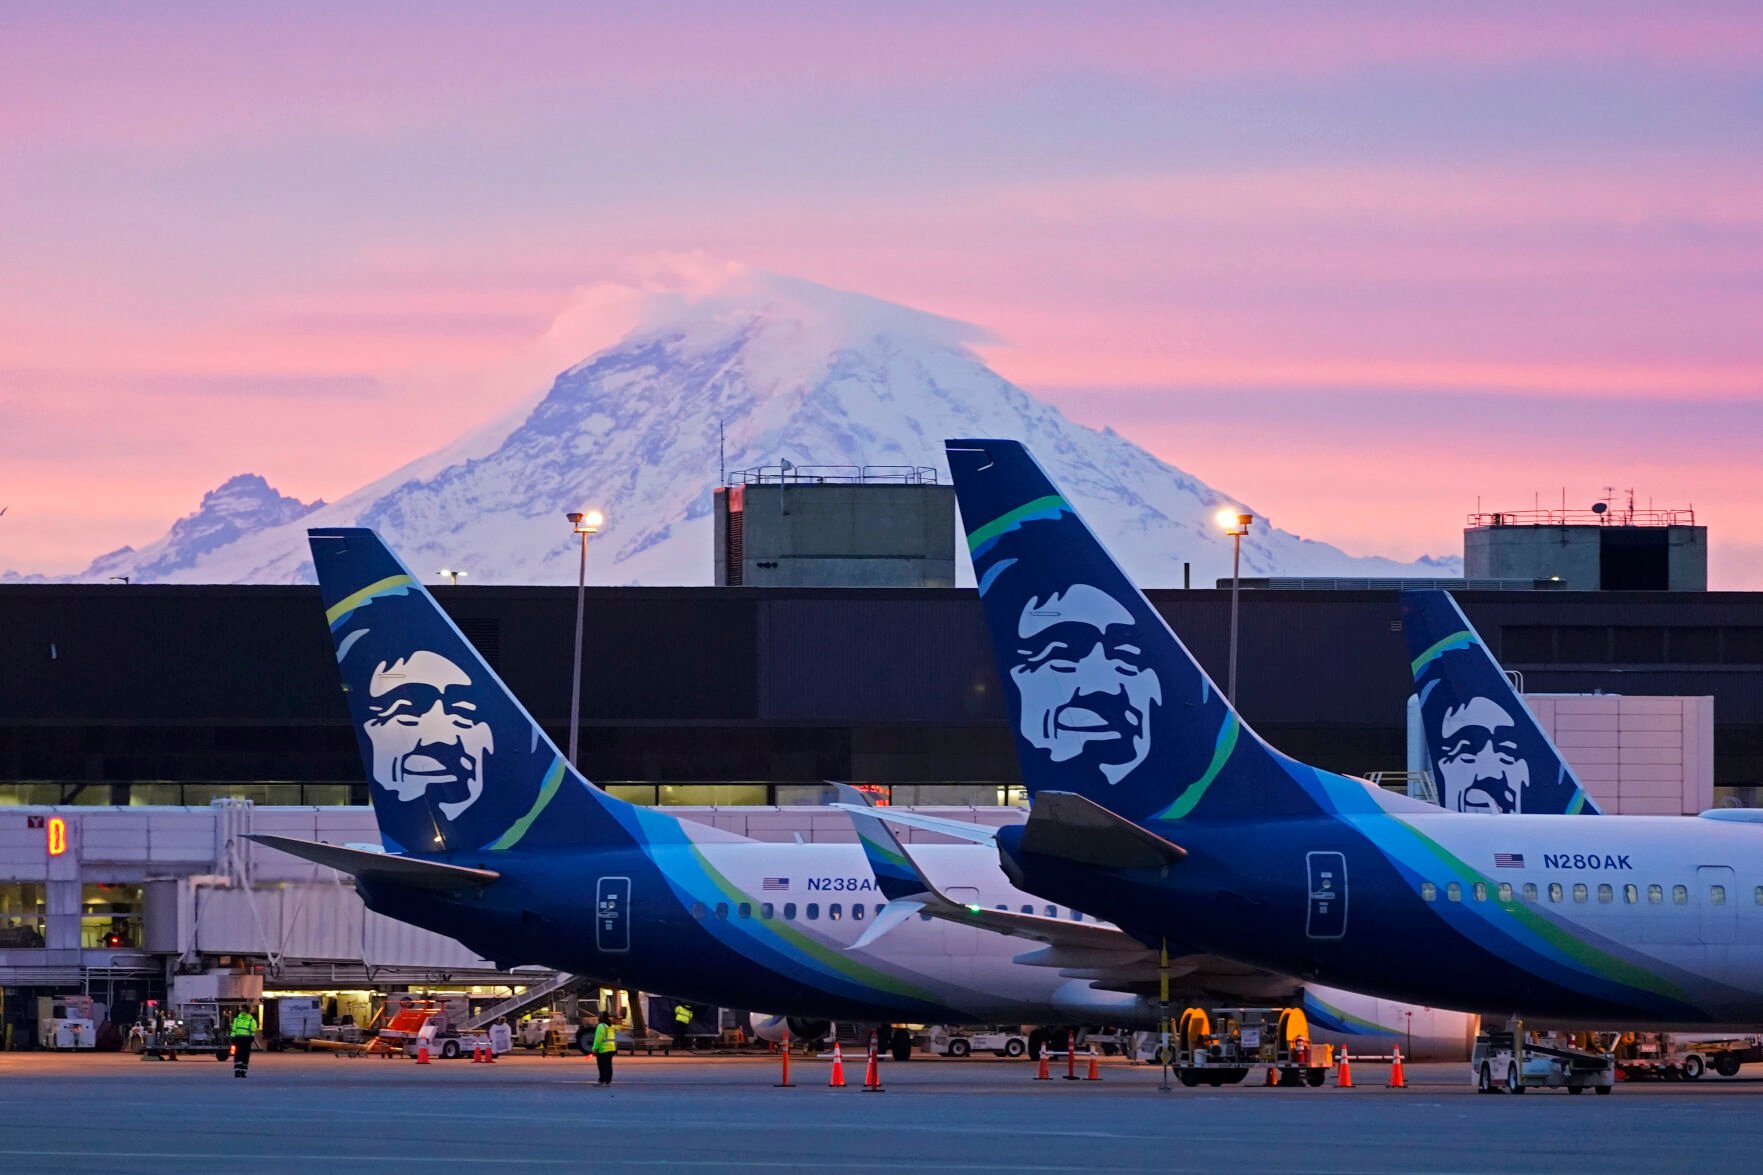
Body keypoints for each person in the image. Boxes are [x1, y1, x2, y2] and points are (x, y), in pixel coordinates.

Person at [230, 1005, 259, 1078]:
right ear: (248, 1011)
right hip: (247, 1040)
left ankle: (237, 1071)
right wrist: (252, 1038)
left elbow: (234, 1029)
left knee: (238, 1055)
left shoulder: (236, 1019)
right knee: (245, 1056)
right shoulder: (252, 1020)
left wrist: (232, 1037)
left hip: (238, 1039)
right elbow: (253, 1030)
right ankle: (243, 1072)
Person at [590, 1011, 616, 1085]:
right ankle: (608, 1081)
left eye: (599, 1015)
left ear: (601, 1017)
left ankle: (602, 1080)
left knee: (602, 1066)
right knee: (608, 1065)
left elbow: (598, 1039)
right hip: (611, 1048)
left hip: (603, 1049)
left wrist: (594, 1049)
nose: (598, 1016)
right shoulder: (611, 1025)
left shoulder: (601, 1026)